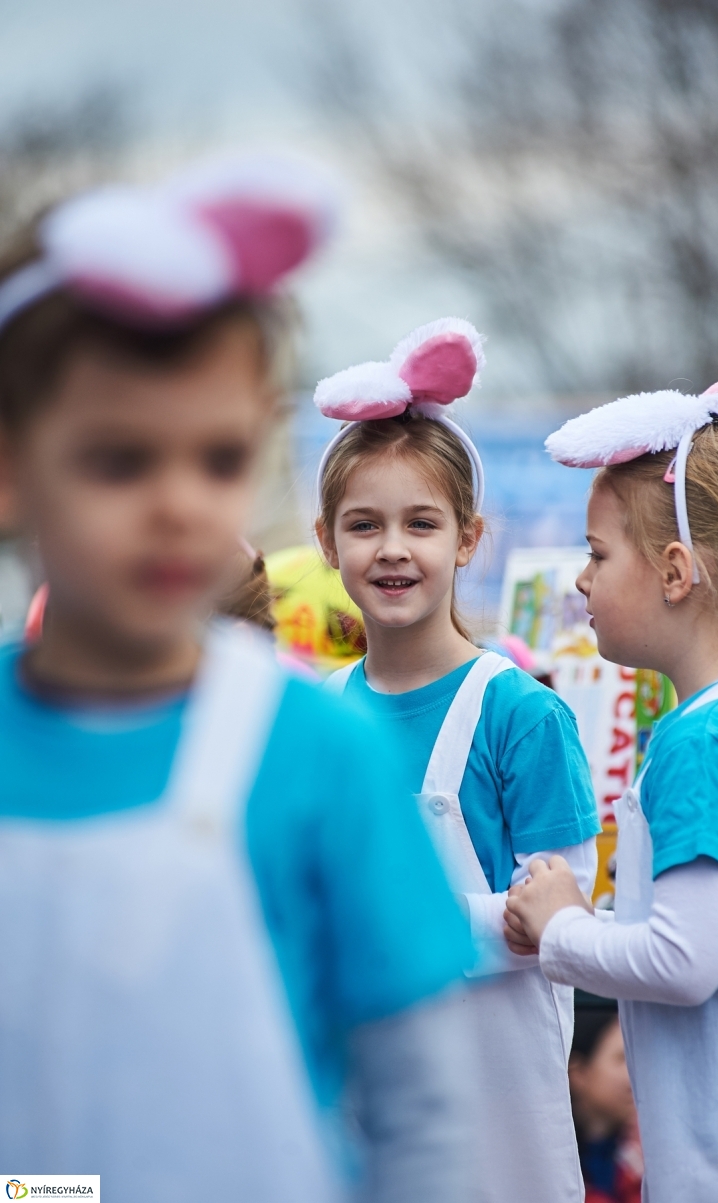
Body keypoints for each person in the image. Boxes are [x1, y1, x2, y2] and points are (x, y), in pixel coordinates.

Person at [0, 160, 476, 1203]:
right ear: (10, 466)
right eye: (120, 461)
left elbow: (426, 1115)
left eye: (217, 460)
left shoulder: (316, 749)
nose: (179, 504)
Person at [315, 318, 601, 1203]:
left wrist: (375, 921)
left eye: (421, 522)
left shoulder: (521, 713)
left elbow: (559, 918)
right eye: (364, 524)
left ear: (469, 539)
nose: (392, 547)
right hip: (361, 1107)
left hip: (498, 1122)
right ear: (327, 543)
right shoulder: (314, 715)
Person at [504, 379, 718, 1202]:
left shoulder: (704, 738)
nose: (580, 580)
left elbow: (684, 959)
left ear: (676, 571)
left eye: (598, 553)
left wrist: (561, 926)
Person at [569, 1002, 642, 1203]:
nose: (634, 1076)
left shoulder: (638, 1164)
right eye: (621, 1059)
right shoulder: (552, 1169)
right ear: (577, 1073)